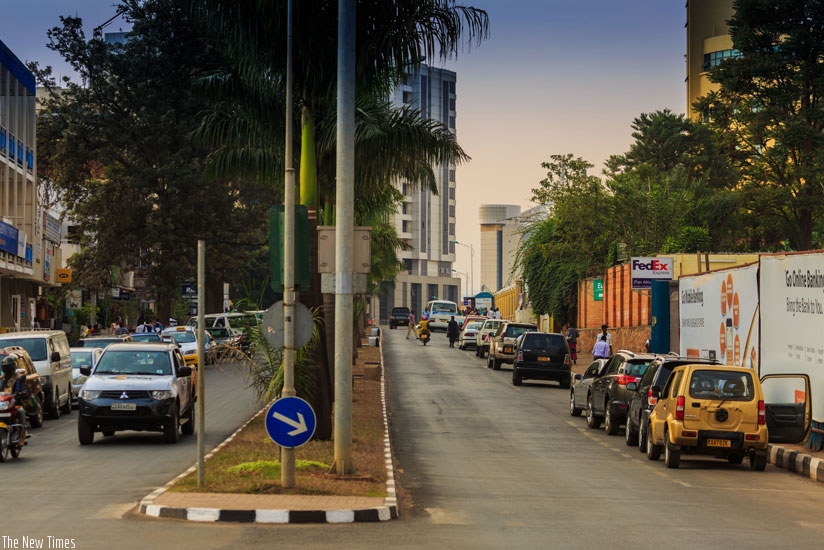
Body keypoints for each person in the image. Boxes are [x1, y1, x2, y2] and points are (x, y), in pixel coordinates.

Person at [2, 358, 28, 431]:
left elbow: (24, 387)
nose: (7, 370)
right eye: (5, 367)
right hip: (3, 405)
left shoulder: (19, 379)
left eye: (8, 367)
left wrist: (24, 391)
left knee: (21, 411)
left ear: (13, 367)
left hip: (15, 404)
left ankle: (22, 434)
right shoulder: (1, 380)